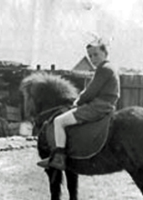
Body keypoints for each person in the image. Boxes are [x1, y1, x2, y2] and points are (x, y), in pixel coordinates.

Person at [37, 40, 120, 170]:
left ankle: (59, 158)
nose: (93, 59)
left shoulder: (104, 69)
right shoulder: (109, 68)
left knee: (59, 121)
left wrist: (78, 102)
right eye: (90, 56)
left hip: (98, 106)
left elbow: (91, 91)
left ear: (105, 53)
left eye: (96, 54)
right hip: (104, 104)